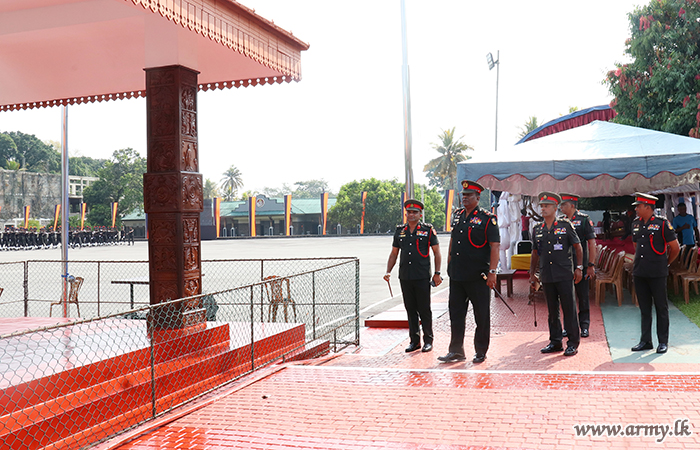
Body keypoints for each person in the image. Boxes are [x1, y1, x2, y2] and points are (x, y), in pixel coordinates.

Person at [438, 180, 500, 364]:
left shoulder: (488, 219)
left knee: (481, 315)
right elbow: (452, 240)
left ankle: (480, 350)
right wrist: (449, 263)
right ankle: (456, 351)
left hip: (478, 275)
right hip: (457, 275)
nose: (464, 198)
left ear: (478, 197)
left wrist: (493, 272)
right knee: (456, 314)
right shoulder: (457, 216)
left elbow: (495, 246)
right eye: (463, 195)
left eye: (469, 195)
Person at [529, 192, 583, 357]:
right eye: (542, 206)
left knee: (569, 309)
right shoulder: (537, 229)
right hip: (547, 274)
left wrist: (579, 267)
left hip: (564, 274)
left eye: (546, 206)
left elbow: (578, 247)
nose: (543, 209)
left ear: (555, 208)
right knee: (552, 311)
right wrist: (532, 273)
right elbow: (535, 253)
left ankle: (573, 343)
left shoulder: (565, 225)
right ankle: (555, 341)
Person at [384, 199, 442, 353]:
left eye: (415, 212)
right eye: (409, 212)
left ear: (420, 214)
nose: (411, 214)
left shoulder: (428, 230)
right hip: (405, 276)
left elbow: (437, 253)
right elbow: (394, 253)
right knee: (410, 309)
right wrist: (388, 271)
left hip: (422, 276)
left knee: (424, 309)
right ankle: (414, 341)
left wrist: (437, 273)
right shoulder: (400, 231)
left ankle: (428, 341)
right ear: (406, 214)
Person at [630, 193, 680, 354]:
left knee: (661, 307)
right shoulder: (636, 223)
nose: (636, 209)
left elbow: (675, 248)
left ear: (647, 207)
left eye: (638, 206)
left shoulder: (662, 223)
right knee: (644, 309)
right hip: (640, 272)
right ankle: (645, 341)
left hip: (657, 273)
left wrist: (665, 263)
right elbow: (635, 244)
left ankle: (663, 342)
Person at [559, 193, 597, 338]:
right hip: (565, 266)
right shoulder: (561, 221)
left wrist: (591, 265)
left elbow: (591, 243)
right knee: (567, 297)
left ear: (573, 205)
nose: (561, 207)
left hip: (581, 264)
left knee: (583, 296)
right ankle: (568, 326)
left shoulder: (584, 220)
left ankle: (584, 325)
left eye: (564, 204)